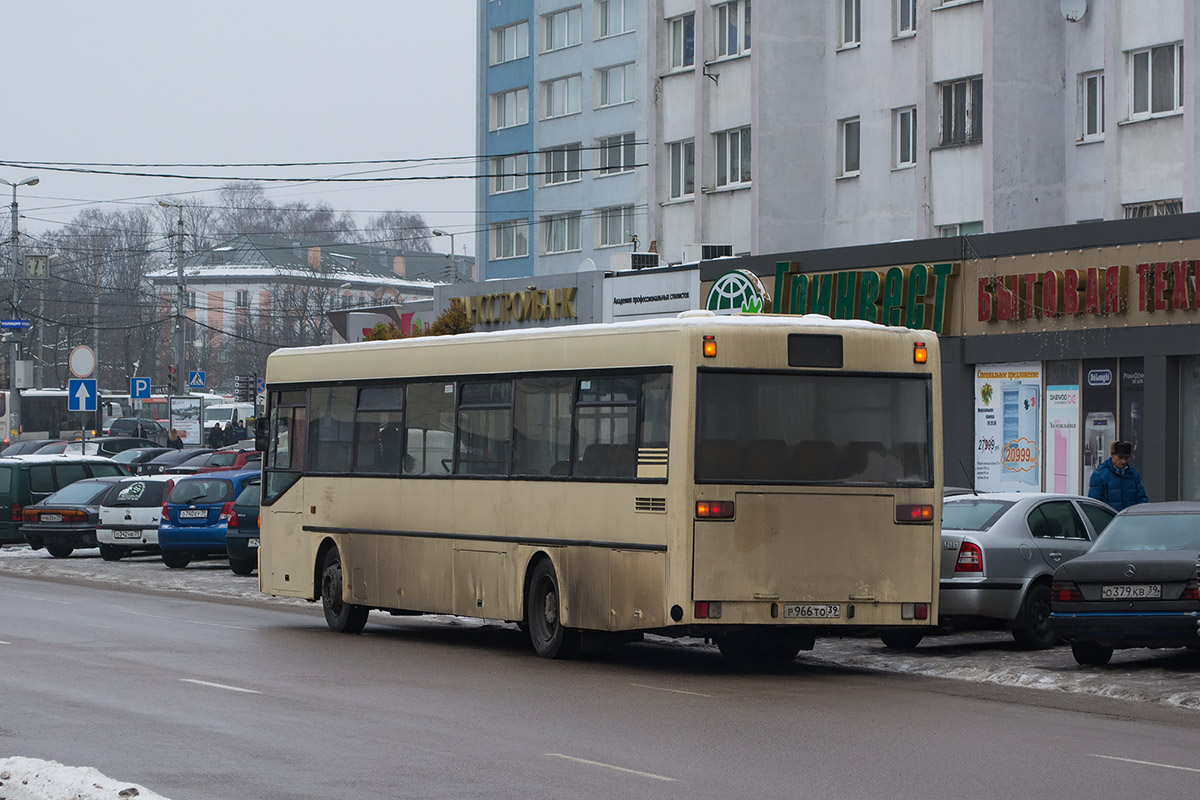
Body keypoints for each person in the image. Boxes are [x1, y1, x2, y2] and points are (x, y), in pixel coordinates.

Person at [1088, 440, 1149, 511]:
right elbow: (1094, 505)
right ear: (1112, 455)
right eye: (1120, 457)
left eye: (1126, 458)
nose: (1124, 461)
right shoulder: (1099, 476)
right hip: (1110, 520)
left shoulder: (1134, 475)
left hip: (1130, 519)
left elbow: (1141, 499)